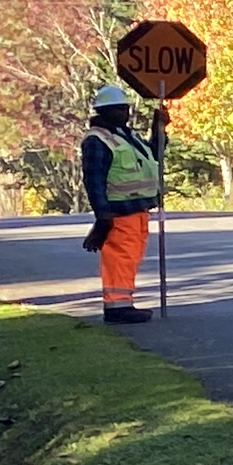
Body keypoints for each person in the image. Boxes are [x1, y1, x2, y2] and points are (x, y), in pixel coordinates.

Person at [78, 83, 163, 323]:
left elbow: (154, 157)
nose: (125, 113)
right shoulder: (98, 141)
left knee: (131, 258)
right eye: (119, 109)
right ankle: (116, 308)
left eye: (126, 108)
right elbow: (94, 181)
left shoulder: (127, 136)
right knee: (120, 258)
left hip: (138, 210)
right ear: (104, 111)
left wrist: (159, 129)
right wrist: (103, 217)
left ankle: (124, 304)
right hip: (118, 213)